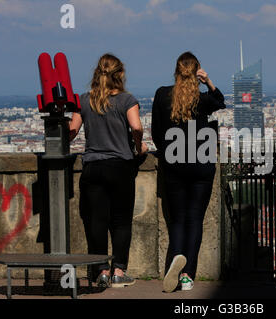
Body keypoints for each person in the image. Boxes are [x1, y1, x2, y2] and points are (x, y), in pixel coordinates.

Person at [69, 53, 148, 288]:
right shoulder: (126, 100)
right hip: (121, 166)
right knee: (122, 221)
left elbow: (72, 130)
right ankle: (119, 271)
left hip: (93, 166)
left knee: (96, 221)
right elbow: (136, 126)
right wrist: (137, 146)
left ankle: (101, 269)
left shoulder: (84, 100)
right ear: (120, 74)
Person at [151, 52, 226, 292]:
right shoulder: (202, 99)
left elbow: (155, 132)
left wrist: (167, 153)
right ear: (197, 72)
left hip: (174, 165)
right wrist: (208, 80)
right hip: (201, 166)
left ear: (176, 70)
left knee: (178, 220)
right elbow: (220, 100)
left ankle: (175, 259)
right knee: (195, 220)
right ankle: (187, 275)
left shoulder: (163, 95)